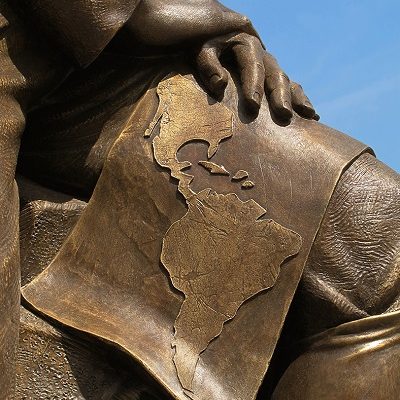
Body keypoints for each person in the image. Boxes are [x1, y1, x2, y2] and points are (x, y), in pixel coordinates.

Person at [1, 1, 399, 399]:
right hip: (33, 54)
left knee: (385, 247)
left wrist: (192, 21)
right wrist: (157, 14)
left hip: (114, 61)